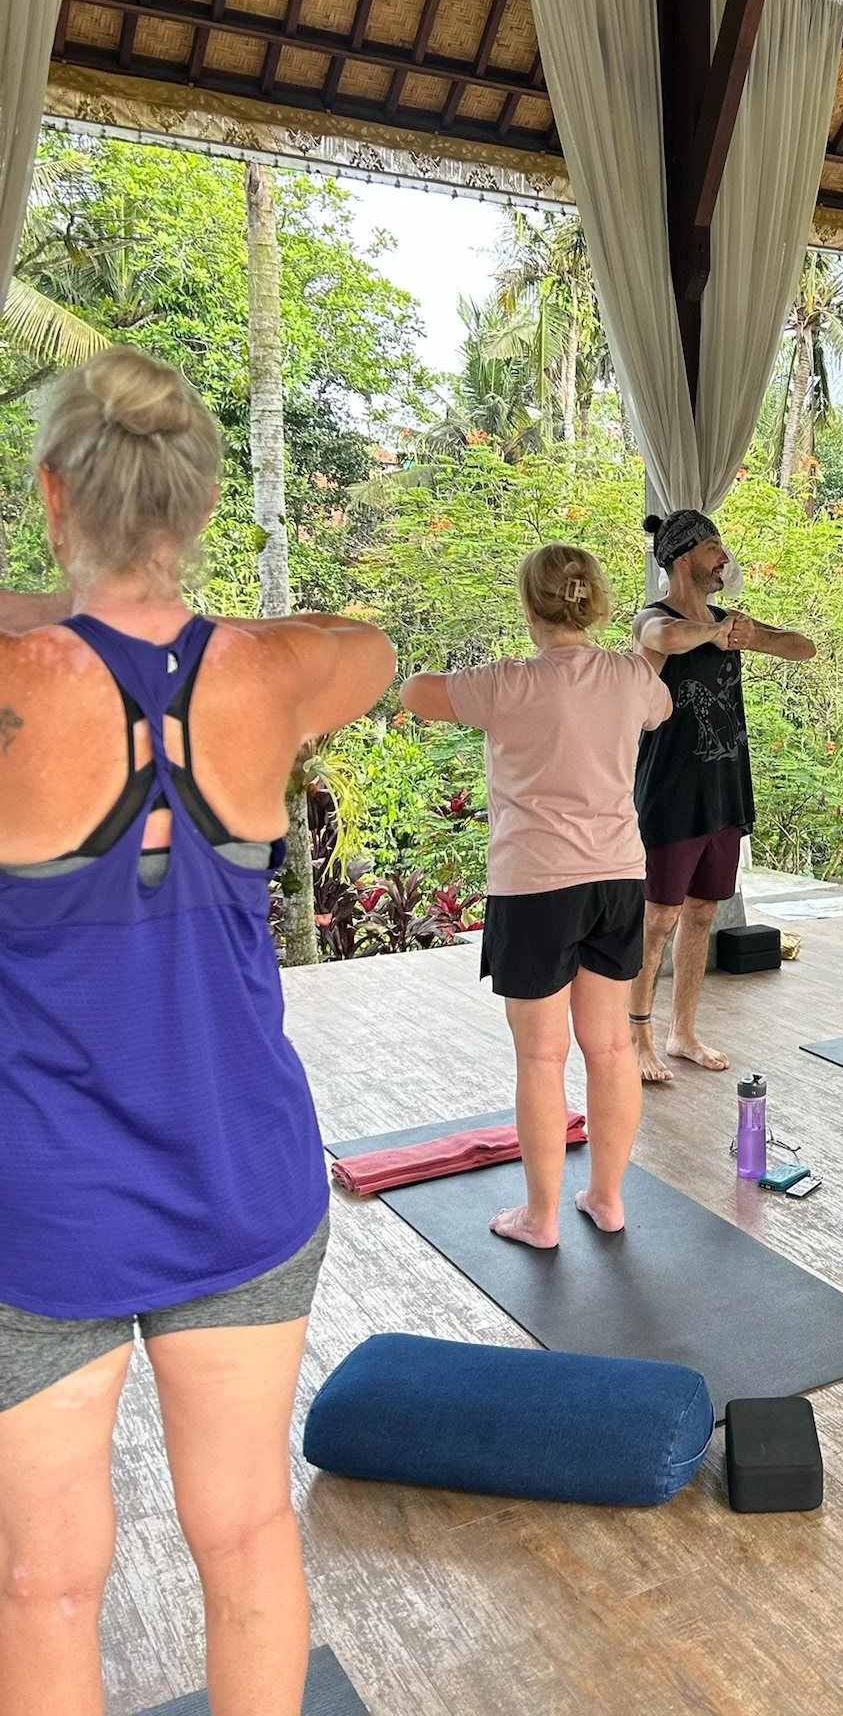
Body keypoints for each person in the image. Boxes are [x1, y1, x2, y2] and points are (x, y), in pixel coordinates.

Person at [0, 349, 396, 1716]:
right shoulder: (274, 676)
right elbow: (377, 649)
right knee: (245, 1533)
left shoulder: (16, 687)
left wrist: (47, 609)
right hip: (244, 1174)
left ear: (54, 495)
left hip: (38, 1205)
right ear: (200, 506)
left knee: (46, 1584)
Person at [401, 544, 670, 1246]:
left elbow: (414, 692)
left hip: (536, 886)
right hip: (617, 877)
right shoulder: (627, 674)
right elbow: (659, 707)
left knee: (542, 1057)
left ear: (529, 608)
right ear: (595, 603)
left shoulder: (505, 683)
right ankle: (606, 1199)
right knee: (611, 1046)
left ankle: (542, 1218)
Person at [628, 509, 814, 1082]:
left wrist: (753, 635)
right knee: (658, 919)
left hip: (724, 789)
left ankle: (682, 1032)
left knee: (703, 913)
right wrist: (715, 631)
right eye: (713, 548)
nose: (723, 559)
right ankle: (637, 1036)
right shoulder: (655, 619)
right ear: (683, 558)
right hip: (669, 793)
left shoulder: (730, 620)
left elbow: (802, 647)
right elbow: (663, 638)